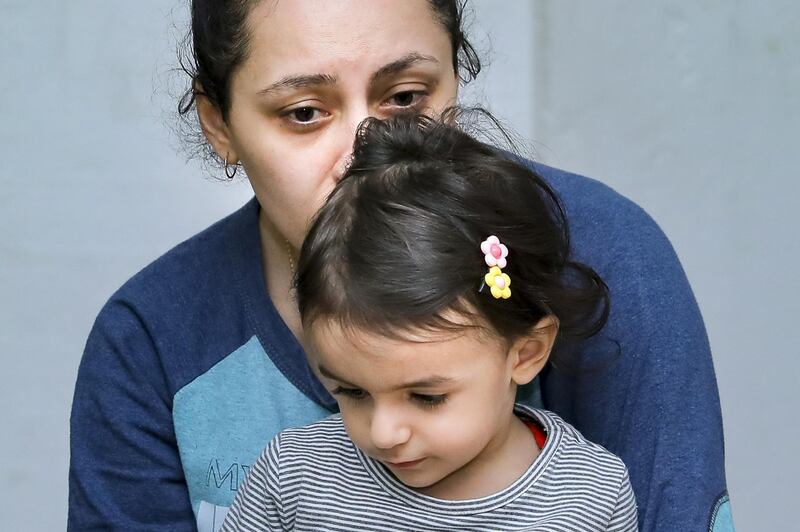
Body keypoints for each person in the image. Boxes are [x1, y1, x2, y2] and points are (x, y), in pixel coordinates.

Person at [68, 1, 731, 531]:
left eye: (408, 98)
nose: (366, 148)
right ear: (219, 124)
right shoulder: (150, 342)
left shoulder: (605, 254)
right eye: (303, 113)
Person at [221, 111, 639, 531]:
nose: (384, 434)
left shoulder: (589, 497)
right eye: (351, 391)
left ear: (525, 353)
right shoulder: (295, 480)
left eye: (426, 397)